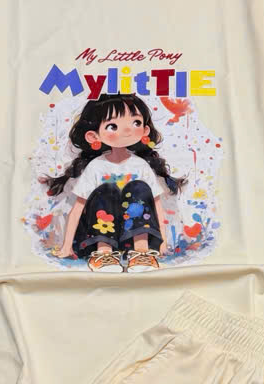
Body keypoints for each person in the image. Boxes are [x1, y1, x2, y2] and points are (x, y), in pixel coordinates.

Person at [46, 95, 185, 274]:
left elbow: (156, 205)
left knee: (139, 188)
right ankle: (104, 253)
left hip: (134, 239)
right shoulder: (96, 166)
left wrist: (163, 242)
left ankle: (141, 252)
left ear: (145, 130)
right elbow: (78, 208)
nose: (127, 130)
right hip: (96, 238)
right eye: (113, 126)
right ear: (93, 136)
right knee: (107, 190)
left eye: (135, 122)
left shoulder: (140, 165)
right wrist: (67, 246)